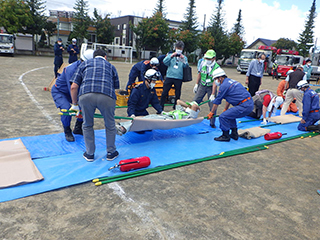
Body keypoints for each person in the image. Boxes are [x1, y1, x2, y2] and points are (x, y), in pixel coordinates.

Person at [70, 49, 120, 162]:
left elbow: (73, 86)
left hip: (85, 95)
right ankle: (111, 153)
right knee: (110, 125)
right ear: (105, 57)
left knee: (87, 125)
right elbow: (116, 87)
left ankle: (89, 154)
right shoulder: (111, 66)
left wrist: (75, 104)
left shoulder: (85, 64)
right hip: (106, 95)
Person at [51, 49, 94, 142]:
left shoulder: (87, 68)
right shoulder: (71, 69)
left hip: (73, 90)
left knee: (85, 105)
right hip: (61, 91)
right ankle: (67, 130)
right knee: (66, 109)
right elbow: (72, 88)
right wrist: (75, 104)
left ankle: (78, 128)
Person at [207, 68, 254, 142]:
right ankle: (234, 134)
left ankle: (225, 135)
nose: (215, 81)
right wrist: (226, 109)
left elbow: (217, 102)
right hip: (248, 103)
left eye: (215, 79)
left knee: (223, 116)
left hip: (244, 106)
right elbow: (228, 98)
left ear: (220, 78)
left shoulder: (224, 86)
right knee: (230, 114)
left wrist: (212, 112)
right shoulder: (230, 82)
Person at [116, 99, 200, 135]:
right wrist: (187, 105)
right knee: (145, 117)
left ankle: (123, 128)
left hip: (168, 120)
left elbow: (195, 107)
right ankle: (123, 125)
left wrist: (190, 106)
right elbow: (178, 101)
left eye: (190, 106)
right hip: (164, 116)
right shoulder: (182, 110)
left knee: (143, 120)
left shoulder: (190, 115)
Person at [193, 49, 220, 128]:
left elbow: (215, 81)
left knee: (213, 105)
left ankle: (212, 123)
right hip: (203, 84)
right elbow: (200, 73)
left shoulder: (217, 67)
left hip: (212, 86)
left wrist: (212, 94)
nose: (207, 60)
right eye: (206, 58)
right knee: (195, 101)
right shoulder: (202, 63)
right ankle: (190, 118)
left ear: (214, 58)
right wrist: (196, 84)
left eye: (209, 59)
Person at [160, 40, 189, 109]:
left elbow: (186, 66)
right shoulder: (170, 55)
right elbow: (165, 62)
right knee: (164, 92)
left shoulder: (184, 57)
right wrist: (171, 56)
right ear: (175, 48)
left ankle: (176, 106)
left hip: (179, 77)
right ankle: (161, 107)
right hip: (169, 76)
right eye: (178, 48)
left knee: (177, 93)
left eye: (180, 48)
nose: (179, 50)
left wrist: (183, 60)